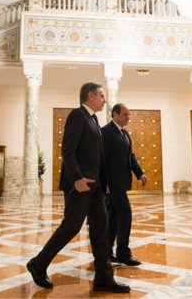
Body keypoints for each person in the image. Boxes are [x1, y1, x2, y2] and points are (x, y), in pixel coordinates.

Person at [27, 82, 130, 294]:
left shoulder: (93, 119)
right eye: (102, 96)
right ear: (90, 96)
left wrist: (104, 182)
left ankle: (103, 278)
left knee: (102, 229)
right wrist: (77, 179)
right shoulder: (77, 116)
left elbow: (97, 156)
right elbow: (68, 151)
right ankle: (38, 264)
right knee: (71, 227)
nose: (105, 100)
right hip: (81, 185)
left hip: (96, 187)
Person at [102, 103, 148, 266]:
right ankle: (122, 253)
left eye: (129, 115)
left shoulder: (125, 133)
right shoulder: (106, 131)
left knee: (113, 218)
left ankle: (106, 253)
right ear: (115, 114)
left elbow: (131, 156)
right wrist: (104, 182)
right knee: (126, 213)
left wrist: (140, 172)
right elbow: (102, 158)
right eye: (125, 114)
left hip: (121, 182)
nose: (128, 117)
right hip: (112, 184)